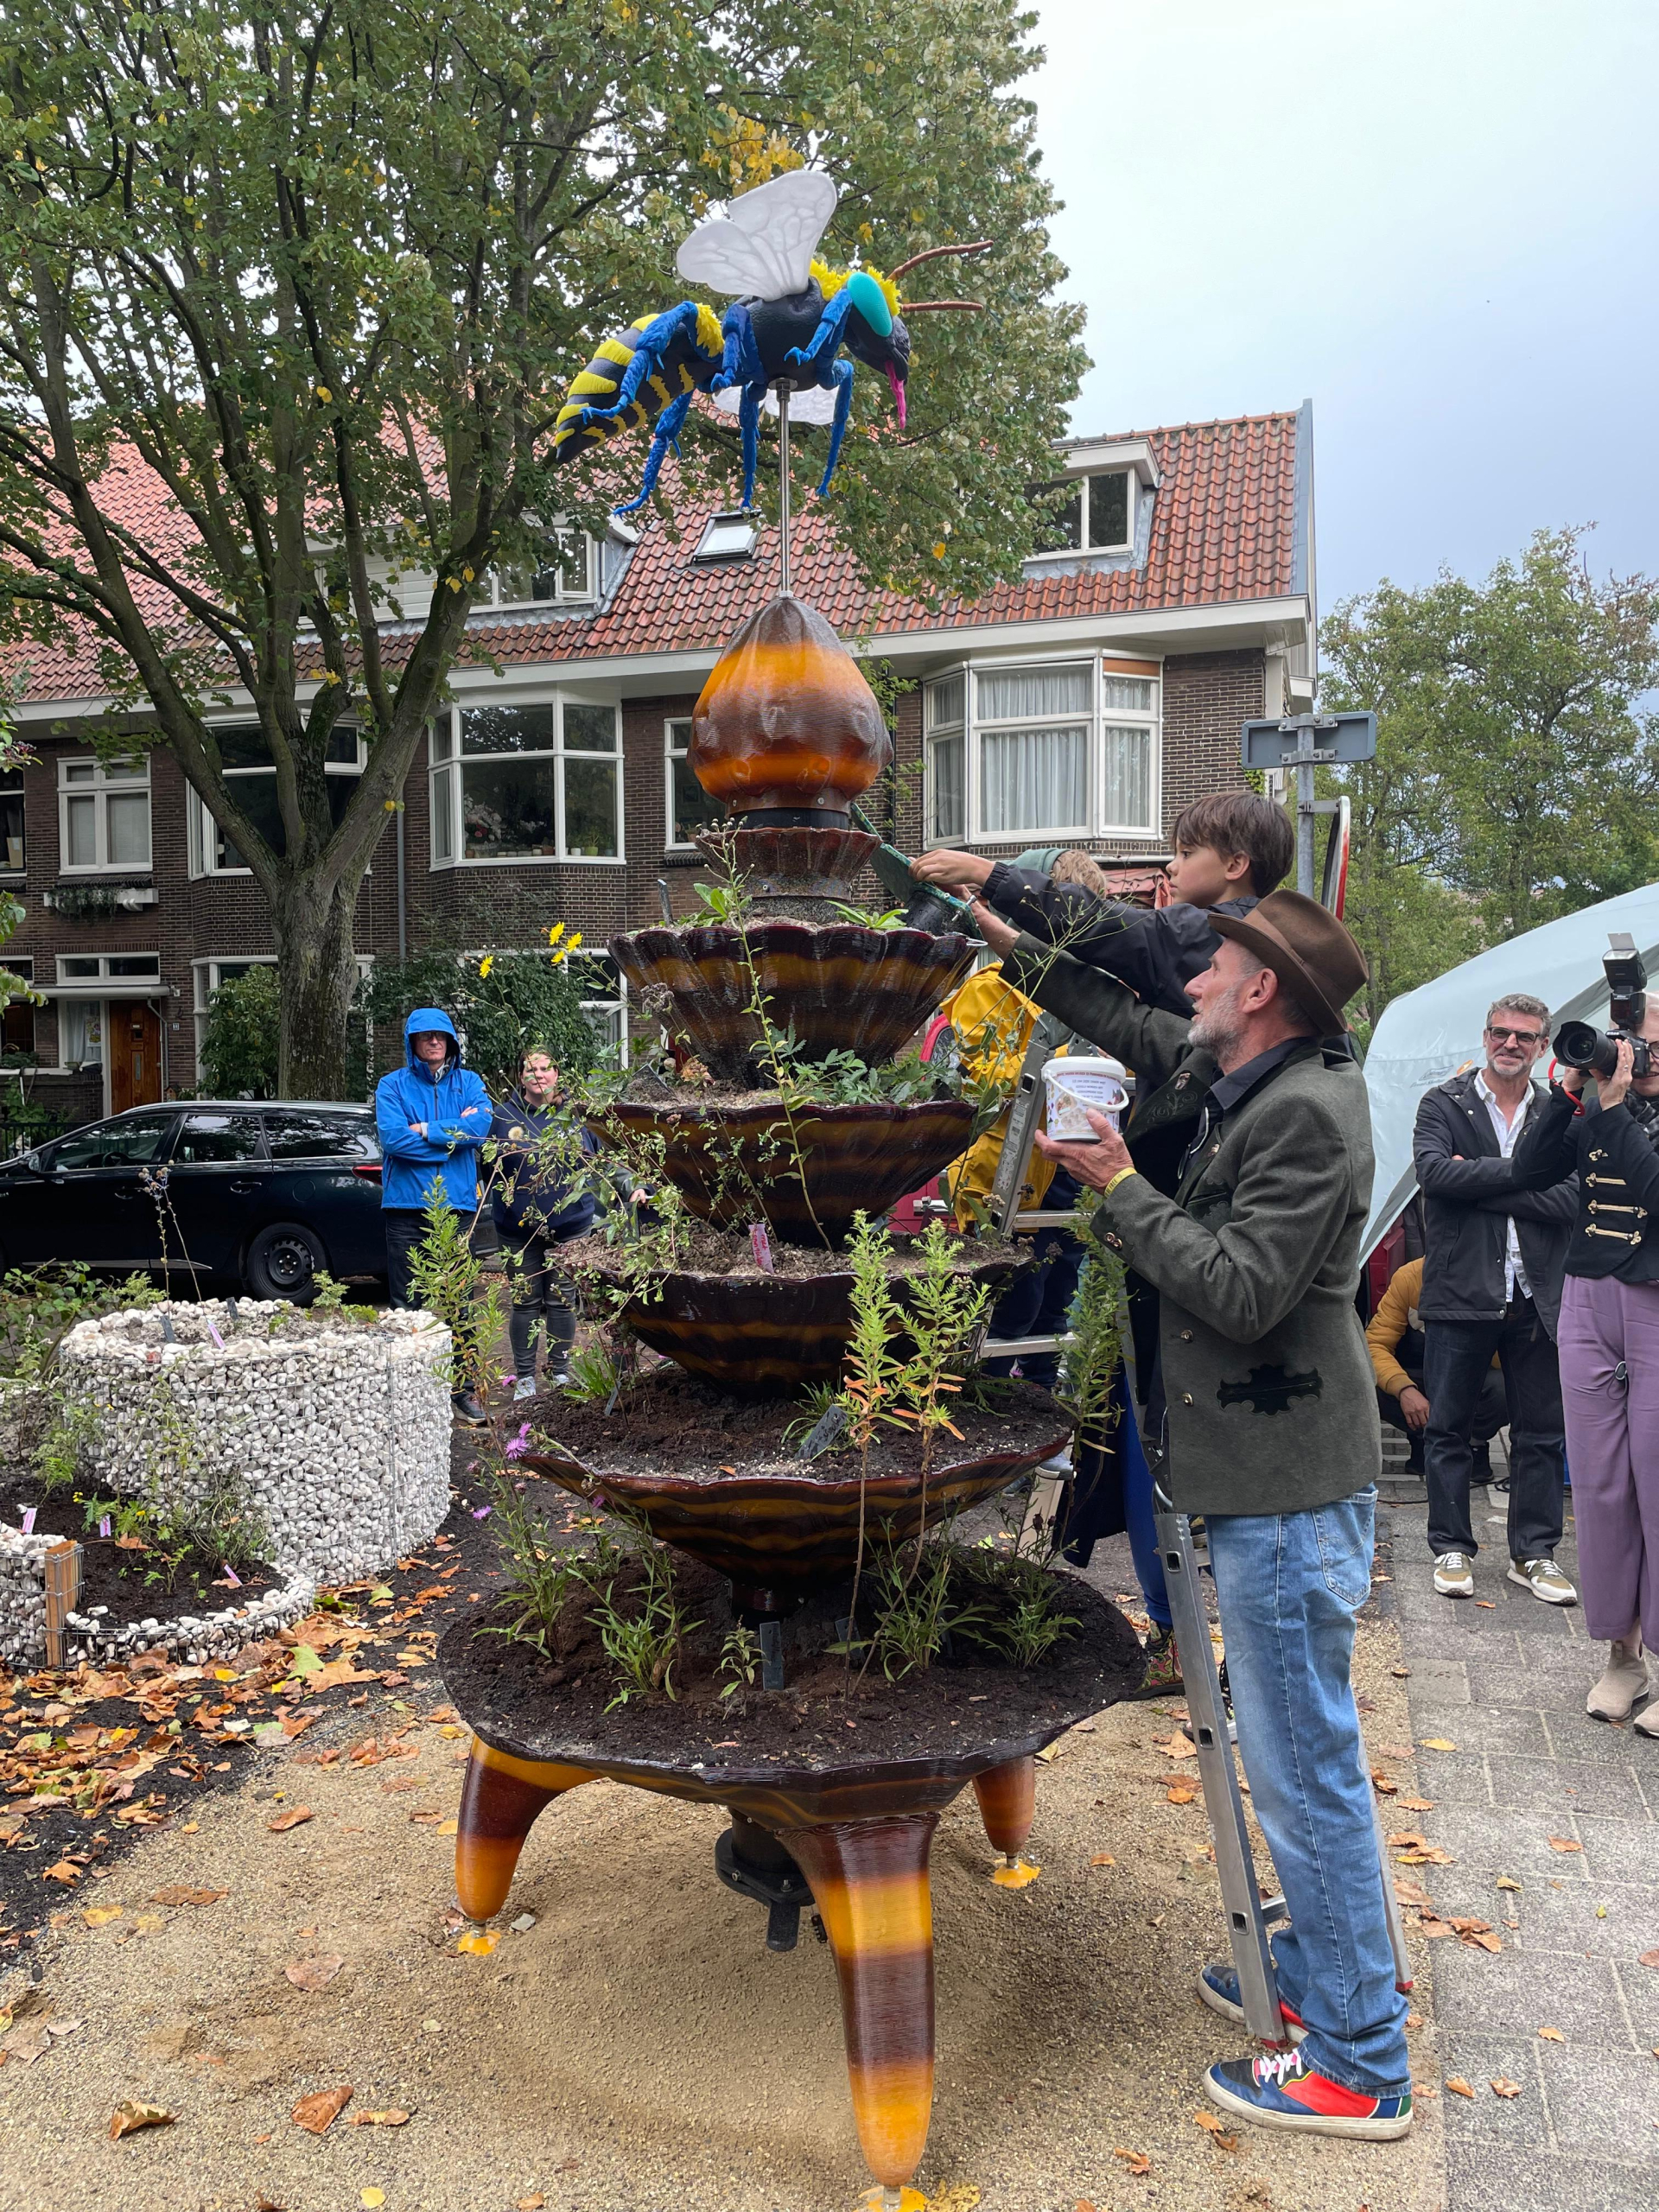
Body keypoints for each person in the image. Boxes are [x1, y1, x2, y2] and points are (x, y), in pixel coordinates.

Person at [979, 883, 1410, 2140]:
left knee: (1304, 1770)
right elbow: (1131, 1018)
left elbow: (1240, 1290)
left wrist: (1116, 1183)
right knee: (1294, 1758)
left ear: (1262, 988)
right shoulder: (1262, 1078)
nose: (1200, 980)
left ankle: (1358, 2060)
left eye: (1217, 962)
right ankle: (1314, 1979)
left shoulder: (1312, 1120)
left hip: (1285, 1489)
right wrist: (1008, 945)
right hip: (1261, 1480)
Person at [1507, 1005, 1659, 1734]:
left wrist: (1613, 1109)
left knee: (1657, 1481)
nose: (1629, 1053)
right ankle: (1622, 1656)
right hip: (1589, 1294)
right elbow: (1529, 1172)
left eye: (1644, 1044)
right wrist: (1569, 1091)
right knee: (1599, 1483)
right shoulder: (1601, 1104)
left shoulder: (1621, 1114)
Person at [1411, 996, 1577, 1602]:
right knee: (1450, 1428)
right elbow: (1433, 1176)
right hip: (1461, 1290)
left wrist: (1477, 1183)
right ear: (1485, 1038)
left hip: (1538, 1295)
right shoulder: (1443, 1103)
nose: (1511, 1044)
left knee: (1542, 1433)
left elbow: (1571, 1202)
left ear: (1542, 1047)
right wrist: (1524, 1177)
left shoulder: (1561, 1113)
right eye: (1502, 1033)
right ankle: (1451, 1547)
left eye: (1525, 1037)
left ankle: (1533, 1554)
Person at [911, 790, 1294, 1017]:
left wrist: (988, 873)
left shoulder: (1193, 932)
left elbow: (1097, 920)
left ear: (1235, 864)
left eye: (1187, 853)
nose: (1171, 866)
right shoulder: (1272, 937)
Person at [374, 1007, 492, 1424]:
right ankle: (410, 1392)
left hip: (456, 1207)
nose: (434, 1042)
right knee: (409, 1305)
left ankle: (462, 1391)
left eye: (441, 1036)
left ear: (451, 1042)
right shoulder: (391, 1086)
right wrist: (450, 1136)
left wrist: (424, 1128)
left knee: (460, 1303)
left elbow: (479, 1130)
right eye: (425, 1037)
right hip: (407, 1208)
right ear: (413, 1043)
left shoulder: (470, 1083)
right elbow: (392, 1140)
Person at [490, 1047, 598, 1400]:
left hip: (570, 1227)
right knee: (523, 1301)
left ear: (556, 1075)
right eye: (530, 1068)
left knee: (562, 1300)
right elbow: (485, 1165)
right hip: (517, 1231)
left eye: (545, 1068)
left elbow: (605, 1159)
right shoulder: (502, 1116)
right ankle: (524, 1378)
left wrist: (635, 1186)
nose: (538, 1074)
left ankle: (560, 1373)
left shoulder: (577, 1116)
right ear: (521, 1076)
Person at [1365, 1255, 1508, 1478]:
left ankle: (1474, 1442)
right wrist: (1404, 1389)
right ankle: (1421, 1439)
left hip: (1473, 1379)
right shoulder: (1409, 1277)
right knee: (1367, 1383)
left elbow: (1509, 1357)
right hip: (1420, 1376)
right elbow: (1375, 1345)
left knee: (1508, 1388)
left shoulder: (1493, 1279)